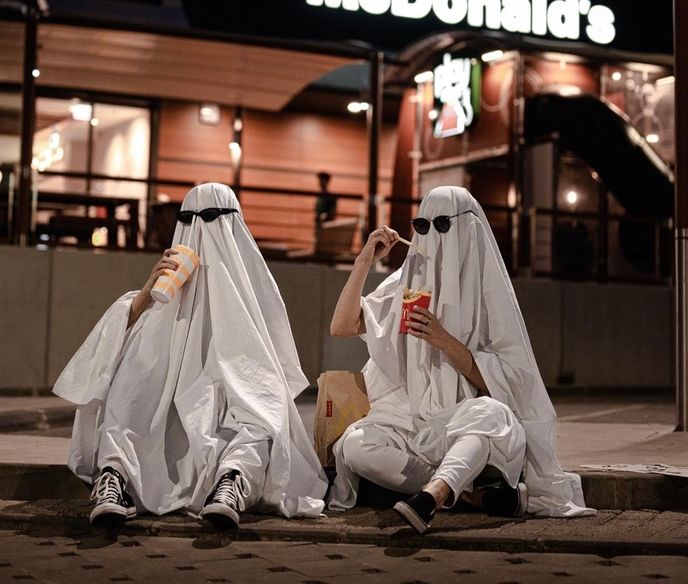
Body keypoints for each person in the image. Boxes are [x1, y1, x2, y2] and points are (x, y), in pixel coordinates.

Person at [53, 182, 327, 529]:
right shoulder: (159, 299)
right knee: (123, 401)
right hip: (161, 414)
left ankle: (231, 484)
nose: (201, 230)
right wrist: (149, 292)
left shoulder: (251, 293)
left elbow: (274, 367)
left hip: (225, 411)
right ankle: (115, 481)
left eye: (211, 219)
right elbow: (112, 345)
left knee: (260, 421)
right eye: (190, 219)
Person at [328, 186, 593, 532]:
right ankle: (468, 496)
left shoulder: (489, 291)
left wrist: (444, 340)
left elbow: (511, 382)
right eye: (421, 226)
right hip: (411, 419)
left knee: (493, 416)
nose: (432, 236)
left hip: (465, 419)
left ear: (467, 228)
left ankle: (431, 499)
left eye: (441, 224)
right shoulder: (408, 279)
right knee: (354, 445)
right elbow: (342, 325)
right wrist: (364, 260)